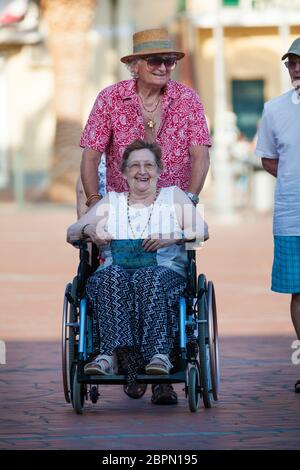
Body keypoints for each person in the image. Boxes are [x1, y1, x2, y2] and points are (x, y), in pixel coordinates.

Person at [77, 28, 212, 404]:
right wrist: (93, 209)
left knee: (158, 277)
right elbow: (90, 155)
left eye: (169, 60)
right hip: (120, 212)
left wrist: (186, 204)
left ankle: (161, 373)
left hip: (170, 209)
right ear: (134, 65)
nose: (164, 66)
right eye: (155, 60)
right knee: (111, 276)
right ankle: (126, 360)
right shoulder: (110, 99)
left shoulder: (186, 99)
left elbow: (200, 152)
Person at [67, 140, 208, 404]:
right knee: (110, 277)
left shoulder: (174, 197)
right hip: (116, 271)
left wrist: (172, 237)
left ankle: (159, 355)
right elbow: (72, 231)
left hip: (165, 272)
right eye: (134, 166)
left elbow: (203, 231)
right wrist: (91, 232)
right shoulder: (112, 202)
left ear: (159, 169)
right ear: (123, 172)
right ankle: (109, 356)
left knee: (148, 277)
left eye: (148, 165)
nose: (141, 171)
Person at [255, 37, 300, 393]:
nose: (296, 68)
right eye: (291, 63)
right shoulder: (274, 109)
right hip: (291, 214)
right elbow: (268, 158)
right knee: (298, 293)